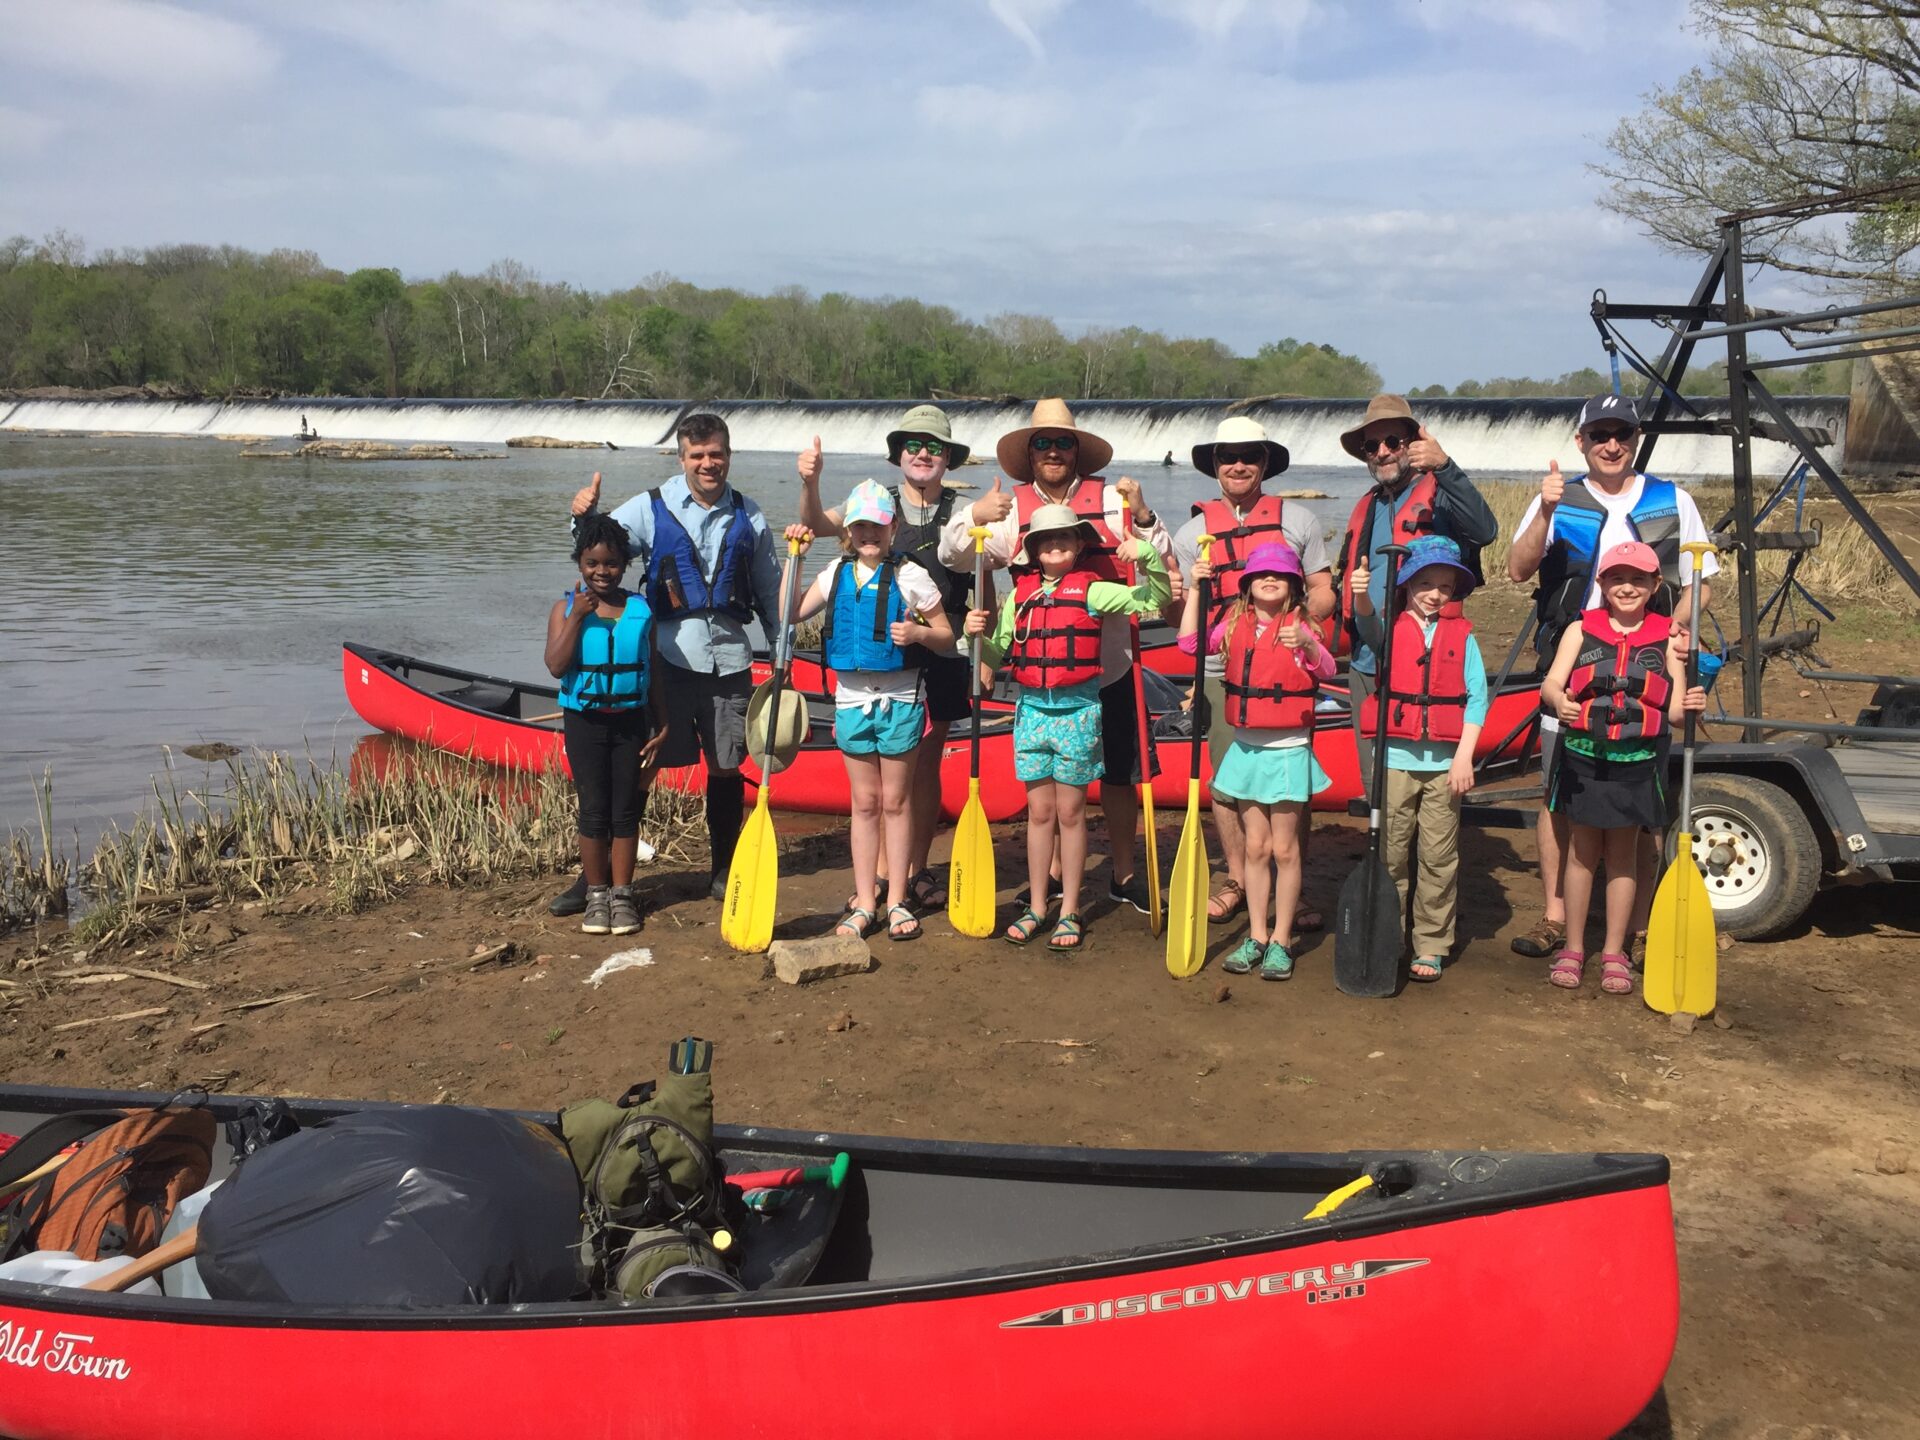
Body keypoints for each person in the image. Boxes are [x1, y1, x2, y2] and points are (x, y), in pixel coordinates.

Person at [1506, 393, 1718, 960]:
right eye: (1599, 433)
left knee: (1642, 806)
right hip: (1574, 666)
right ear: (1581, 441)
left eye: (1621, 433)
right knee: (1558, 799)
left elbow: (1699, 580)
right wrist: (1546, 512)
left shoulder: (1673, 499)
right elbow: (1517, 568)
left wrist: (1674, 634)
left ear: (1634, 438)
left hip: (1647, 671)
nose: (1611, 444)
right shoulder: (1558, 496)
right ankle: (1555, 915)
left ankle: (1640, 926)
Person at [940, 398, 1170, 915]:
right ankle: (1050, 880)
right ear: (1029, 452)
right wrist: (972, 515)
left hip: (1110, 665)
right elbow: (952, 554)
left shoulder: (1113, 499)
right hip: (1043, 679)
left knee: (1118, 776)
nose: (1052, 451)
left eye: (1062, 442)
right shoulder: (1010, 508)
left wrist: (1146, 519)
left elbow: (1164, 558)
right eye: (1042, 443)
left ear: (1077, 451)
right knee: (1050, 795)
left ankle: (1123, 874)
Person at [555, 413, 783, 911]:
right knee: (642, 767)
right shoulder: (649, 507)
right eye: (697, 455)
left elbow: (769, 591)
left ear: (728, 455)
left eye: (716, 454)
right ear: (682, 458)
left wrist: (781, 652)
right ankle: (596, 880)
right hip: (665, 664)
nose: (708, 463)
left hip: (730, 663)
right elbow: (599, 549)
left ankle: (723, 867)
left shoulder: (751, 515)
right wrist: (580, 516)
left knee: (726, 766)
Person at [965, 504, 1169, 950]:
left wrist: (1148, 557)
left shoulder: (1095, 592)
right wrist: (974, 643)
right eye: (1045, 539)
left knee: (1071, 814)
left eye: (1065, 538)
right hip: (1032, 713)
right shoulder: (1020, 596)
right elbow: (998, 648)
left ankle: (1071, 909)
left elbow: (1153, 599)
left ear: (1079, 546)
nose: (1055, 545)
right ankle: (1039, 905)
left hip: (1078, 713)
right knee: (1039, 814)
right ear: (1034, 550)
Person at [797, 405, 976, 913]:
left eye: (934, 446)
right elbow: (814, 523)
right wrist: (810, 482)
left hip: (942, 642)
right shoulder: (873, 504)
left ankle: (914, 869)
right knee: (889, 772)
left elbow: (987, 571)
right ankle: (879, 874)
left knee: (925, 761)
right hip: (883, 657)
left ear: (948, 458)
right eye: (914, 445)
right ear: (899, 454)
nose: (923, 454)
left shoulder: (962, 512)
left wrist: (986, 652)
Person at [1170, 416, 1333, 931]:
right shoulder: (1192, 533)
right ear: (1214, 466)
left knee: (1287, 787)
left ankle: (1293, 884)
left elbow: (1322, 590)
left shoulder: (1299, 521)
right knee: (1228, 784)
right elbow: (1182, 621)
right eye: (1227, 456)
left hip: (1287, 666)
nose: (1238, 464)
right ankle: (1240, 877)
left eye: (1249, 456)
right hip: (1222, 668)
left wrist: (1304, 630)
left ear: (1264, 463)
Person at [782, 483, 955, 942]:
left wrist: (919, 635)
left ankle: (897, 900)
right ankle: (864, 900)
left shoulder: (910, 574)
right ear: (848, 532)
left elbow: (947, 635)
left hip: (899, 700)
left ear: (892, 527)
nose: (868, 533)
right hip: (852, 700)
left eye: (877, 525)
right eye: (859, 526)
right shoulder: (834, 572)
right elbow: (789, 612)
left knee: (896, 804)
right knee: (864, 804)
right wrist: (792, 557)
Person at [1538, 540, 1707, 994]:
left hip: (1636, 762)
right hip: (1584, 760)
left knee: (1623, 859)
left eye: (1637, 579)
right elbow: (1551, 685)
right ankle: (1573, 948)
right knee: (1580, 855)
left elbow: (1673, 712)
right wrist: (1561, 703)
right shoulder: (1579, 630)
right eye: (1616, 578)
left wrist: (1692, 704)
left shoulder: (1670, 637)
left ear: (1655, 585)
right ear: (1601, 583)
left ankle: (1613, 951)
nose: (1626, 587)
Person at [1176, 542, 1334, 981]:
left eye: (1281, 577)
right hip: (1246, 749)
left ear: (1294, 586)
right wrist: (1193, 588)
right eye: (1263, 575)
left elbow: (1324, 669)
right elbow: (1189, 643)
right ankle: (1257, 935)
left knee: (1285, 849)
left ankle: (1282, 939)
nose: (1271, 581)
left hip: (1286, 751)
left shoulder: (1303, 627)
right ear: (1247, 585)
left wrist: (1305, 643)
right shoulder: (1232, 623)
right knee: (1255, 848)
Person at [1333, 394, 1497, 793]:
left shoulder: (1441, 493)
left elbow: (1485, 530)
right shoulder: (1366, 507)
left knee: (1426, 785)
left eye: (1393, 441)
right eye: (1373, 446)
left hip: (1426, 661)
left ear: (1412, 444)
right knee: (1375, 781)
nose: (1383, 452)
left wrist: (1445, 465)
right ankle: (1380, 857)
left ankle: (1423, 857)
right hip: (1369, 661)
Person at [1348, 536, 1488, 982]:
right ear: (1407, 584)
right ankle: (1389, 933)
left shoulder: (1462, 636)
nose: (1434, 593)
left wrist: (1464, 757)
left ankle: (1430, 943)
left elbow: (1477, 700)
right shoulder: (1388, 628)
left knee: (1438, 857)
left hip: (1445, 766)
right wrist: (1358, 592)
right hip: (1394, 761)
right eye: (1425, 583)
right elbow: (1365, 624)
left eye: (1444, 586)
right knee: (1389, 855)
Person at [543, 514, 668, 936]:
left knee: (626, 812)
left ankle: (623, 896)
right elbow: (557, 667)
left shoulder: (640, 610)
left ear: (624, 565)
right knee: (594, 811)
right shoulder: (565, 608)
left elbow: (653, 671)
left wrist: (662, 724)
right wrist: (578, 616)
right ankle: (596, 896)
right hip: (585, 723)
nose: (602, 572)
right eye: (592, 563)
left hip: (631, 721)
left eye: (611, 563)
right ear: (579, 562)